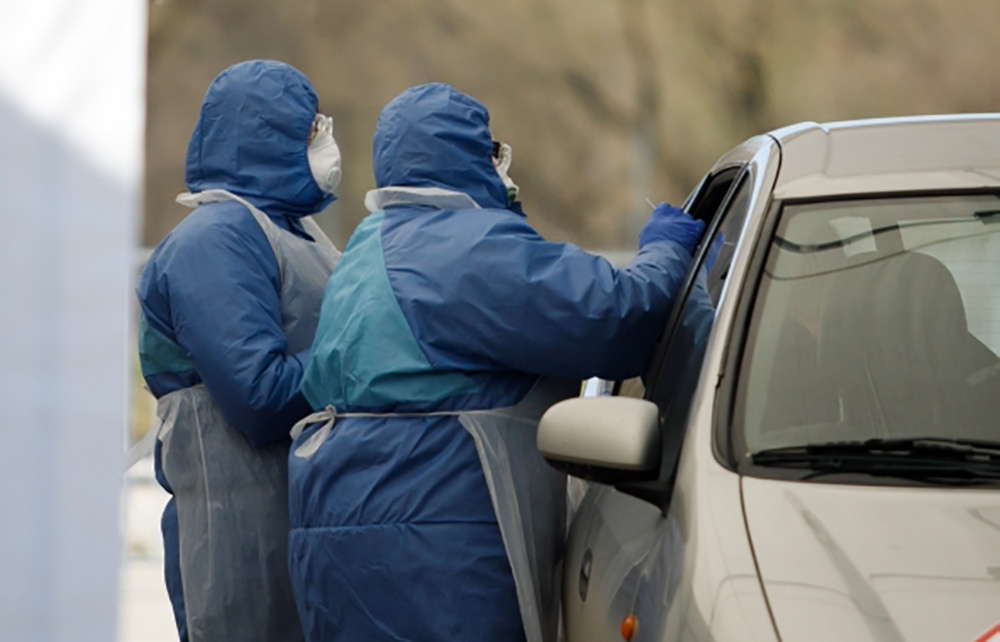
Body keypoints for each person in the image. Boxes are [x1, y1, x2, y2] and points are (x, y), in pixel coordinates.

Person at [286, 83, 704, 642]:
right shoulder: (464, 247)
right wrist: (667, 251)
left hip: (348, 537)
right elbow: (613, 321)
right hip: (432, 542)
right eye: (493, 151)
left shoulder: (374, 241)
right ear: (466, 155)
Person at [136, 59, 342, 642]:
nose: (326, 144)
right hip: (241, 534)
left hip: (302, 517)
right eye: (312, 131)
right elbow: (258, 397)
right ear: (268, 135)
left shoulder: (295, 230)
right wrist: (362, 353)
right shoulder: (215, 239)